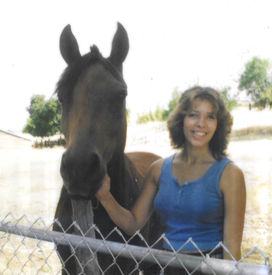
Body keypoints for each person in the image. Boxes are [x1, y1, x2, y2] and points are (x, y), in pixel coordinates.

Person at [96, 86, 246, 272]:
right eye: (193, 115)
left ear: (218, 125)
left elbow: (232, 250)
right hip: (168, 267)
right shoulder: (158, 169)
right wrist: (104, 196)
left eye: (210, 116)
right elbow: (133, 223)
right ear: (181, 119)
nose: (201, 123)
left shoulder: (230, 174)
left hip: (210, 269)